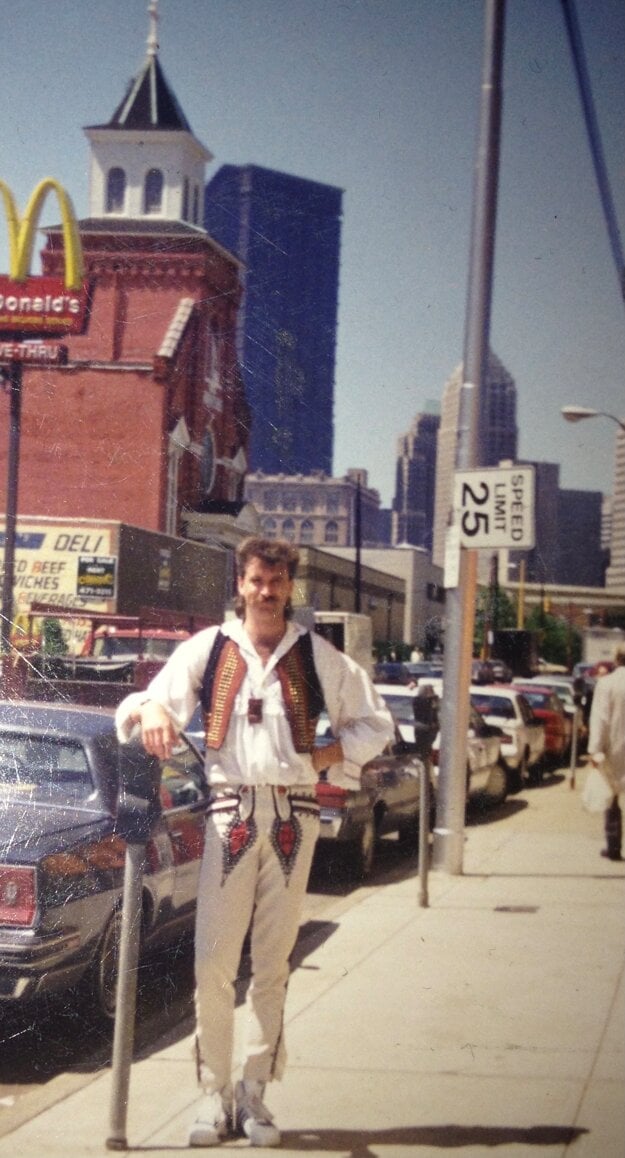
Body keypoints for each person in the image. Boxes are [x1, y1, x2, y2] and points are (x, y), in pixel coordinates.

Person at [115, 536, 394, 1148]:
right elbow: (141, 703)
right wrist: (156, 710)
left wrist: (333, 750)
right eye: (256, 581)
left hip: (294, 818)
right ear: (240, 585)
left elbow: (377, 722)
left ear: (291, 586)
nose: (266, 592)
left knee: (273, 964)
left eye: (277, 582)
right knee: (213, 963)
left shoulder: (319, 656)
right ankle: (212, 1096)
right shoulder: (208, 649)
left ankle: (254, 1096)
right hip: (228, 814)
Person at [587, 648, 625, 861]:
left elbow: (600, 719)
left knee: (612, 798)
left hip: (615, 749)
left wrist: (596, 750)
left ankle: (614, 846)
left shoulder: (607, 684)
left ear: (617, 659)